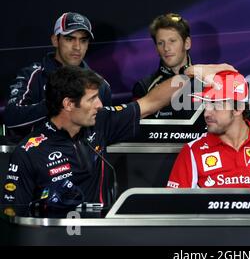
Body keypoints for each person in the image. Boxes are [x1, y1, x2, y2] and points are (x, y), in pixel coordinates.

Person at [1, 63, 234, 213]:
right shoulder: (28, 153)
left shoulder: (101, 122)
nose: (100, 105)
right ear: (68, 104)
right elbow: (14, 218)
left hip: (103, 236)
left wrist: (187, 73)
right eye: (92, 99)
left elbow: (151, 102)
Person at [167, 71, 250, 189]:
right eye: (206, 104)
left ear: (238, 108)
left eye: (215, 104)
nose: (206, 113)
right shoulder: (192, 151)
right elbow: (173, 205)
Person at [4, 12, 112, 141]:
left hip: (82, 159)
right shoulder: (32, 75)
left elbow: (104, 132)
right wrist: (56, 103)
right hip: (40, 157)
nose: (77, 47)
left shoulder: (101, 84)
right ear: (55, 40)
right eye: (69, 39)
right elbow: (11, 118)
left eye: (83, 40)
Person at [132, 13, 194, 119]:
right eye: (160, 43)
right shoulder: (144, 87)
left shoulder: (209, 82)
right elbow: (137, 131)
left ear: (187, 43)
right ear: (156, 48)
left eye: (172, 41)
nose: (166, 48)